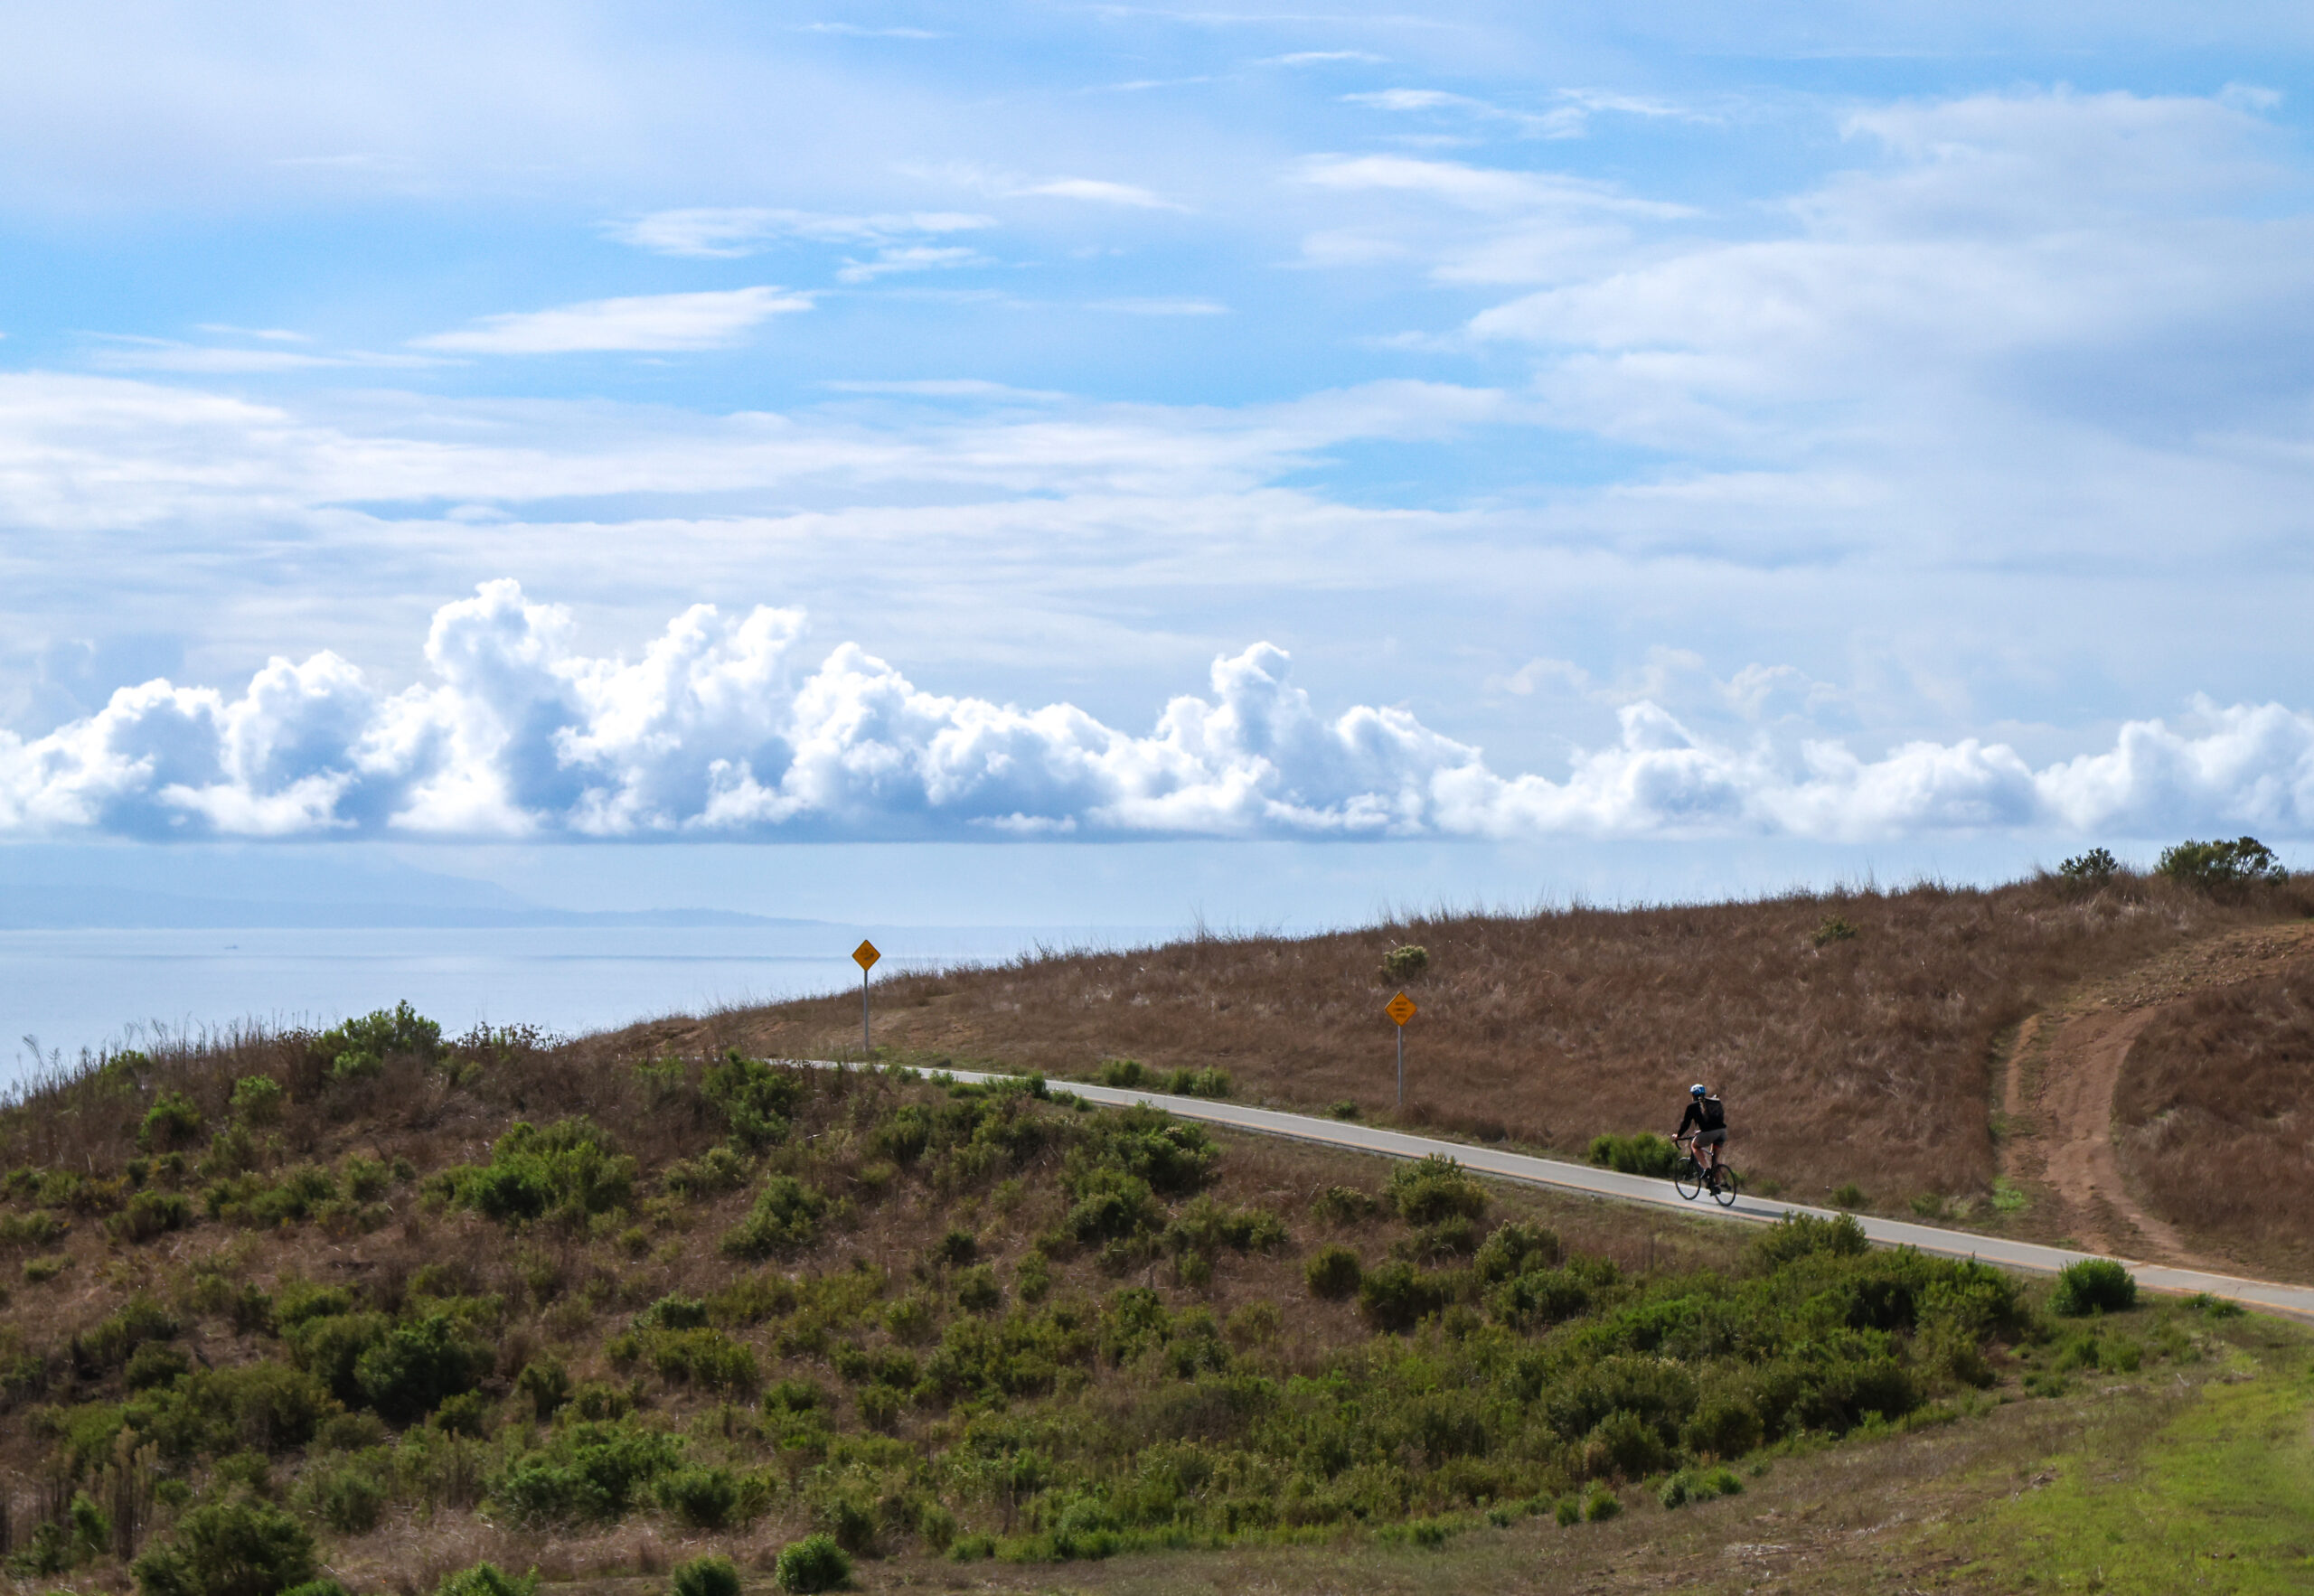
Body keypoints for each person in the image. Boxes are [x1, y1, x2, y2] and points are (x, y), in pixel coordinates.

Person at [1675, 1083, 1728, 1177]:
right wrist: (1703, 1131)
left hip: (1710, 1133)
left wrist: (1678, 1135)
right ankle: (1717, 1185)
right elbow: (1714, 1121)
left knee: (1694, 1145)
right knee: (1714, 1159)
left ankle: (1706, 1169)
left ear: (1693, 1095)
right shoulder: (1711, 1103)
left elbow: (1686, 1124)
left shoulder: (1692, 1107)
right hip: (1722, 1132)